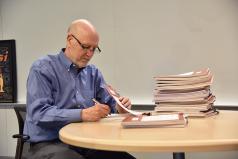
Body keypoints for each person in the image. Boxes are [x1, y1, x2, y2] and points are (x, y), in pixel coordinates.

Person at [24, 19, 136, 159]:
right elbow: (39, 113)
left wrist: (120, 107)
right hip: (49, 143)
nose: (90, 54)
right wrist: (82, 114)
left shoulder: (93, 73)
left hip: (85, 142)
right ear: (70, 40)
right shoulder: (42, 68)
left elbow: (109, 104)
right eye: (85, 47)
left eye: (94, 49)